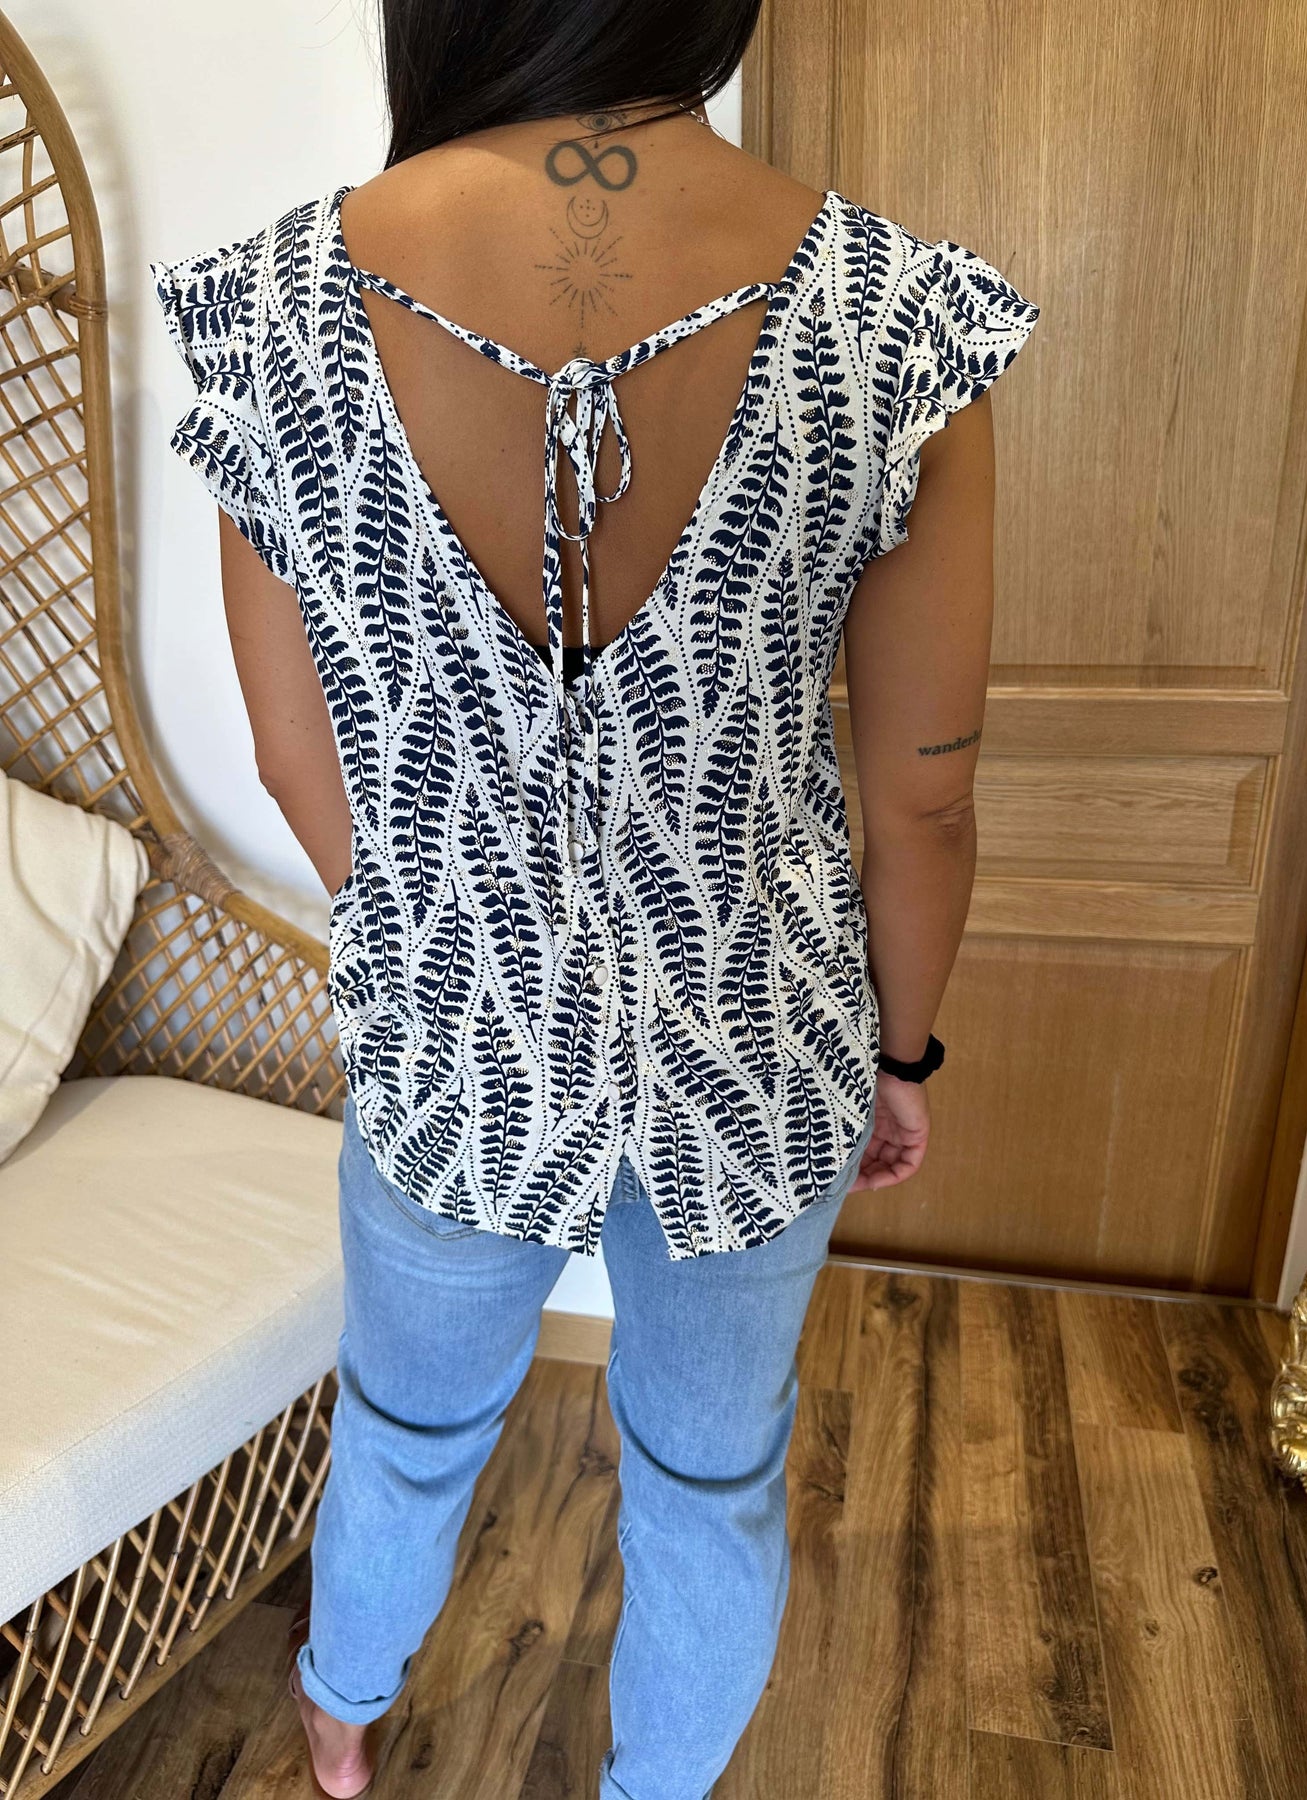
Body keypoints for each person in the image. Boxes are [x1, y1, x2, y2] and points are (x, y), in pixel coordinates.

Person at [150, 2, 1039, 1793]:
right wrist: (903, 1054)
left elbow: (293, 752)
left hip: (454, 1036)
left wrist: (437, 939)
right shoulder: (889, 317)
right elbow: (923, 802)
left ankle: (340, 1712)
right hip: (756, 1045)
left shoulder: (276, 311)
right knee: (710, 1479)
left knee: (407, 1423)